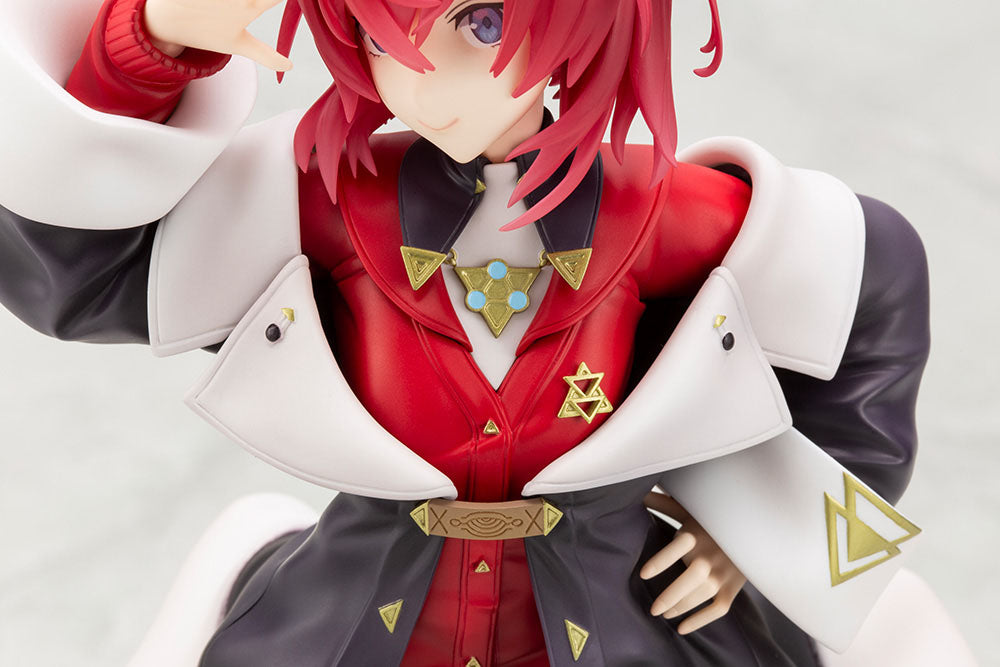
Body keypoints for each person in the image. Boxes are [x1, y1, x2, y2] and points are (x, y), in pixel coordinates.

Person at [0, 0, 933, 665]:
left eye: (479, 23)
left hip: (620, 621)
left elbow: (863, 266)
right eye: (379, 37)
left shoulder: (658, 212)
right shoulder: (326, 200)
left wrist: (767, 534)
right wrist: (148, 44)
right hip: (359, 619)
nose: (420, 78)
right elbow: (86, 271)